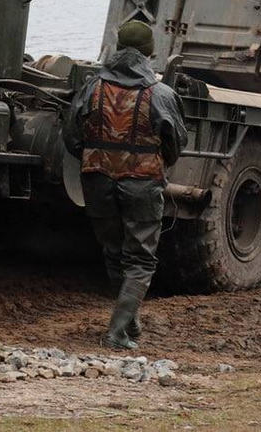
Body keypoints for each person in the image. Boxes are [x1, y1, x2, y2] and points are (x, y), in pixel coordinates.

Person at [63, 20, 188, 350]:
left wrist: (98, 159)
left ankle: (128, 323)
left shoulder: (92, 87)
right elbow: (176, 144)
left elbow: (71, 137)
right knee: (141, 259)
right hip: (142, 184)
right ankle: (117, 332)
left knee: (113, 251)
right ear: (149, 54)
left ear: (117, 49)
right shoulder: (161, 94)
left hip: (97, 180)